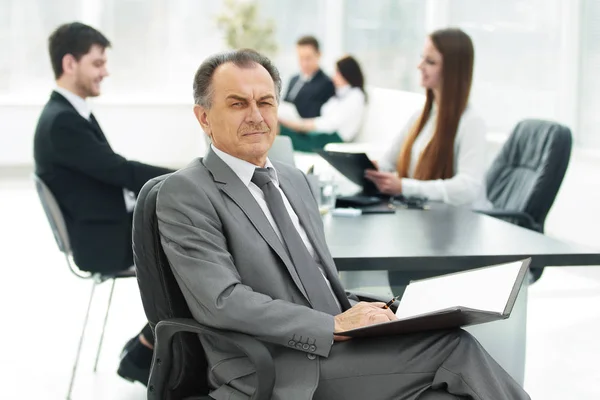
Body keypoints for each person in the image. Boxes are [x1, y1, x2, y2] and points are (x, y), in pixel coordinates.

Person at [156, 49, 530, 400]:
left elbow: (315, 284)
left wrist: (381, 314)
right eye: (238, 103)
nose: (256, 115)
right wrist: (332, 326)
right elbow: (222, 301)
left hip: (338, 346)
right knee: (455, 346)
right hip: (272, 364)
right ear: (204, 117)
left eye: (266, 102)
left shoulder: (294, 180)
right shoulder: (186, 191)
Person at [33, 22, 173, 385]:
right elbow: (118, 170)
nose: (105, 71)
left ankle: (148, 345)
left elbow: (110, 172)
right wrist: (186, 176)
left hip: (105, 227)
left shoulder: (69, 114)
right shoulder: (62, 121)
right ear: (69, 63)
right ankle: (147, 349)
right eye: (97, 63)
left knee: (192, 236)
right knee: (198, 243)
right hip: (102, 242)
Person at [365, 28, 487, 207]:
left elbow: (468, 188)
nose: (420, 66)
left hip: (457, 223)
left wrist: (404, 187)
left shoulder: (471, 122)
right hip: (424, 217)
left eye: (430, 61)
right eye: (422, 58)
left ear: (453, 70)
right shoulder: (421, 117)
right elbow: (389, 162)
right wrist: (373, 171)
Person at [279, 55, 367, 152]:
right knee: (282, 128)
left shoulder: (355, 96)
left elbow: (330, 124)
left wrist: (299, 125)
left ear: (347, 73)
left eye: (338, 73)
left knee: (281, 131)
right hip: (320, 134)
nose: (334, 77)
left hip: (332, 140)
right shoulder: (340, 94)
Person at [283, 35, 336, 118]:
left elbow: (316, 115)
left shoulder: (327, 83)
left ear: (319, 55)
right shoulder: (294, 80)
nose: (304, 63)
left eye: (308, 58)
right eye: (301, 58)